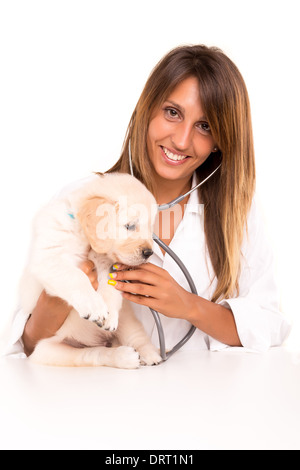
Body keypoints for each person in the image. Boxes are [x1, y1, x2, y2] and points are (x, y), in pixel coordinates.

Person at [5, 45, 290, 358]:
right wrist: (60, 296)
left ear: (221, 142)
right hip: (98, 396)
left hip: (204, 400)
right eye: (172, 113)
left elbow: (268, 325)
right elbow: (29, 348)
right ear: (146, 108)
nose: (181, 141)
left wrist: (189, 306)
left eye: (204, 126)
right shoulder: (82, 200)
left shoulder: (238, 215)